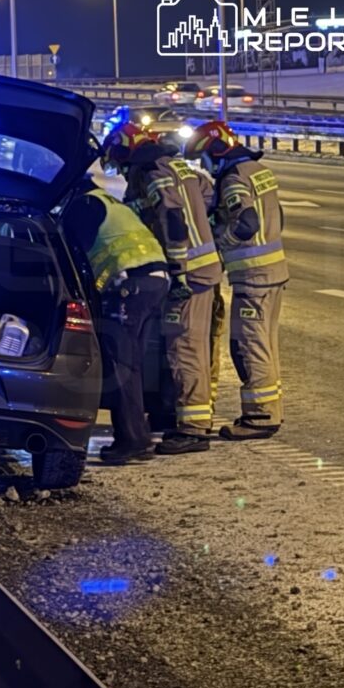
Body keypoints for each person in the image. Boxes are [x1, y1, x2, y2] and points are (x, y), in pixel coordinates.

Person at [102, 123, 222, 454]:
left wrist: (179, 270)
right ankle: (172, 414)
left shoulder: (153, 174)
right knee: (178, 345)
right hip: (202, 267)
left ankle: (194, 428)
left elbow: (172, 219)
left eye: (121, 164)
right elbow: (208, 196)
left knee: (185, 349)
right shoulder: (178, 167)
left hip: (190, 273)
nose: (123, 172)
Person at [184, 121, 288, 440]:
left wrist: (219, 244)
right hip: (274, 274)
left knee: (248, 346)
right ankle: (270, 410)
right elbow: (277, 217)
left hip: (253, 277)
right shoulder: (259, 170)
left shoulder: (233, 179)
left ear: (217, 151)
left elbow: (246, 221)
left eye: (206, 159)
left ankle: (259, 418)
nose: (206, 167)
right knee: (265, 344)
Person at [62, 179, 169, 464]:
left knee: (120, 364)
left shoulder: (84, 206)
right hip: (152, 283)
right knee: (130, 364)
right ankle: (138, 436)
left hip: (131, 286)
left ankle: (132, 440)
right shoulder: (106, 201)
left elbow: (73, 255)